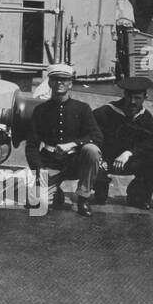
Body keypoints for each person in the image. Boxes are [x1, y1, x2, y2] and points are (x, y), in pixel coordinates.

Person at [25, 63, 104, 216]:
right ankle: (56, 192)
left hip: (76, 162)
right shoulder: (41, 111)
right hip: (51, 162)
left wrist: (74, 144)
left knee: (92, 150)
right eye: (55, 79)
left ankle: (83, 199)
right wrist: (39, 170)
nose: (60, 83)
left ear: (70, 84)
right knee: (37, 205)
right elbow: (32, 145)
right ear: (49, 83)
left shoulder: (82, 108)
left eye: (64, 80)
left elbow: (97, 136)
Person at [91, 76, 153, 210]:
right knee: (92, 157)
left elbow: (151, 143)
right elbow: (92, 134)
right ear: (124, 95)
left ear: (146, 97)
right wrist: (100, 157)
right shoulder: (105, 112)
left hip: (127, 161)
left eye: (138, 98)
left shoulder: (146, 118)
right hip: (105, 161)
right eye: (129, 97)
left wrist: (130, 153)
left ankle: (138, 195)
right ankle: (100, 190)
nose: (132, 102)